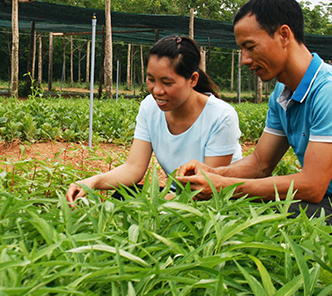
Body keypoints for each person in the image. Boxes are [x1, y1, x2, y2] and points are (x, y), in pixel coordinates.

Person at [176, 0, 332, 248]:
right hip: (331, 203)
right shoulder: (282, 94)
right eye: (241, 49)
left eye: (250, 47)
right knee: (242, 214)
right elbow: (259, 163)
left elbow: (312, 186)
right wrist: (213, 175)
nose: (244, 60)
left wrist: (225, 186)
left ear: (284, 35)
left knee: (268, 223)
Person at [66, 35, 242, 203]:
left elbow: (205, 188)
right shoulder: (150, 107)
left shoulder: (221, 116)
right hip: (176, 195)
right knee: (125, 194)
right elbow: (133, 168)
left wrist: (151, 206)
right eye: (151, 79)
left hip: (215, 201)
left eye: (167, 83)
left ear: (193, 79)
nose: (157, 90)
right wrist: (92, 182)